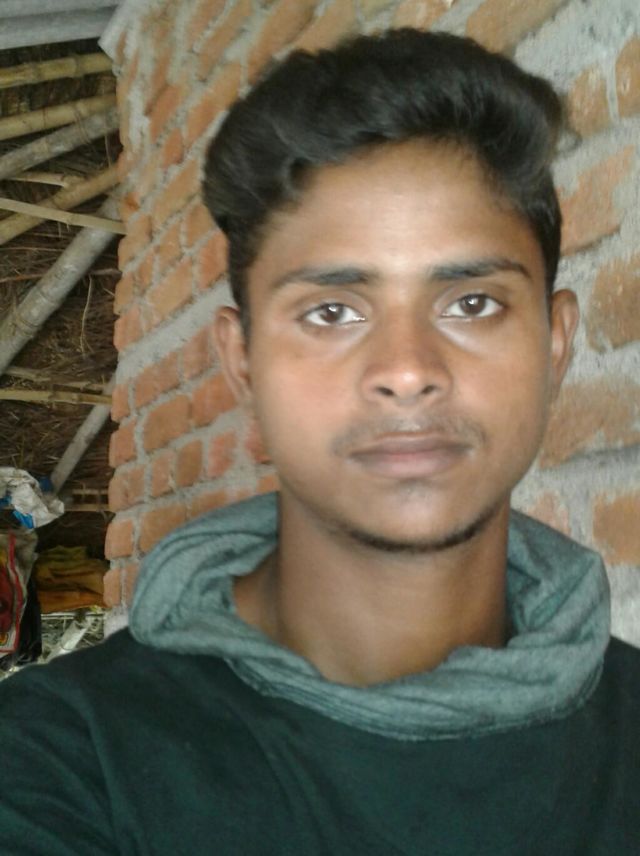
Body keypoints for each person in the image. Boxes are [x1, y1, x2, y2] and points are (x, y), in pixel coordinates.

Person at [0, 28, 638, 855]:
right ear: (243, 362)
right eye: (332, 312)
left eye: (472, 304)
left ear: (554, 347)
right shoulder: (61, 758)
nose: (407, 370)